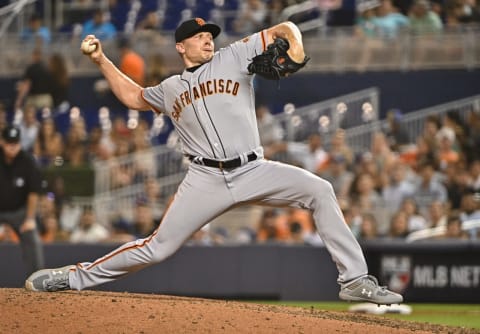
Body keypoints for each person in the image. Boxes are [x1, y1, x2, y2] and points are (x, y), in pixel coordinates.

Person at [25, 18, 402, 305]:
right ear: (181, 46)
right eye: (200, 36)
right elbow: (134, 97)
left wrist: (297, 50)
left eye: (210, 35)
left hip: (254, 169)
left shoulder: (234, 56)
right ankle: (72, 277)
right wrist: (101, 59)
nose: (209, 38)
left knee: (320, 190)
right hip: (204, 178)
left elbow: (284, 29)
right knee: (158, 247)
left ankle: (353, 280)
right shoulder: (170, 87)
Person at [0, 125, 44, 275]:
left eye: (15, 143)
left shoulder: (28, 161)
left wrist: (30, 218)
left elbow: (33, 192)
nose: (12, 147)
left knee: (32, 237)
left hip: (19, 211)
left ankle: (37, 280)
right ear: (2, 142)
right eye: (9, 143)